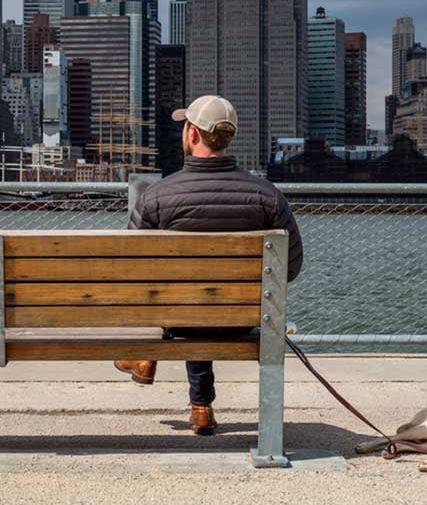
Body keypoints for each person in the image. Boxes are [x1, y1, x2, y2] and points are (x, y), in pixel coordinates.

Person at [115, 95, 303, 435]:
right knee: (203, 299)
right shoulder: (267, 196)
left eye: (185, 127)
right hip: (242, 320)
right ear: (227, 138)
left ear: (192, 134)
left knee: (186, 300)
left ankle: (147, 358)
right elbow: (290, 268)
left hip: (180, 318)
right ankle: (199, 407)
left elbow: (130, 269)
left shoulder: (158, 196)